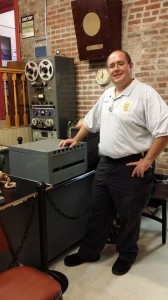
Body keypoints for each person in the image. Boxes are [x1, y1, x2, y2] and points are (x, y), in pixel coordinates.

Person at [59, 50, 168, 275]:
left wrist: (147, 161)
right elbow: (91, 121)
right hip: (106, 164)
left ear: (130, 66)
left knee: (129, 215)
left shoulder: (145, 94)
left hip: (131, 166)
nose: (115, 69)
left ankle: (127, 254)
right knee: (99, 211)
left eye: (120, 64)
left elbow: (164, 131)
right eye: (111, 66)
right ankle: (89, 252)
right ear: (108, 71)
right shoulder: (107, 95)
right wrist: (76, 138)